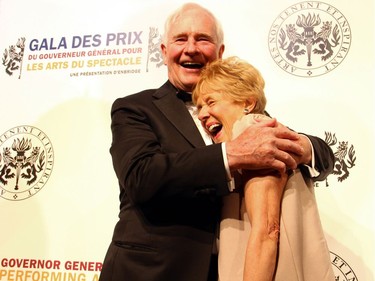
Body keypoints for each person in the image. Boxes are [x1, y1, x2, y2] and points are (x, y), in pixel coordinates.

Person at [99, 3, 334, 281]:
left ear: (220, 52)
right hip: (150, 271)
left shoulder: (243, 112)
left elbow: (322, 153)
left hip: (226, 271)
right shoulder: (135, 108)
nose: (191, 48)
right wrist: (231, 155)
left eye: (203, 39)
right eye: (180, 39)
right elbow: (142, 177)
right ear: (164, 52)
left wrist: (303, 147)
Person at [193, 56, 335, 281]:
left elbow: (267, 231)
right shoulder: (240, 145)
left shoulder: (253, 132)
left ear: (247, 103)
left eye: (211, 102)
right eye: (199, 107)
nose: (201, 114)